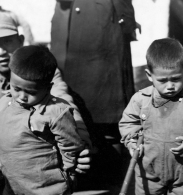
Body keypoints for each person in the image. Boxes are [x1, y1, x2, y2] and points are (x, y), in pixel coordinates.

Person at [0, 11, 91, 193]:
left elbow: (63, 104)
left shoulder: (42, 68)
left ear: (20, 40)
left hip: (37, 158)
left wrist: (80, 142)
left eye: (7, 41)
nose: (1, 52)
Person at [51, 0, 137, 185]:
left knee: (106, 107)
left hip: (102, 25)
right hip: (73, 22)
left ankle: (110, 179)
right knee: (68, 101)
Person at [119, 38, 183, 195]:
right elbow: (128, 123)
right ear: (149, 75)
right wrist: (131, 142)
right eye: (163, 80)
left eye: (176, 79)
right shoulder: (140, 100)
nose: (170, 86)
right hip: (149, 170)